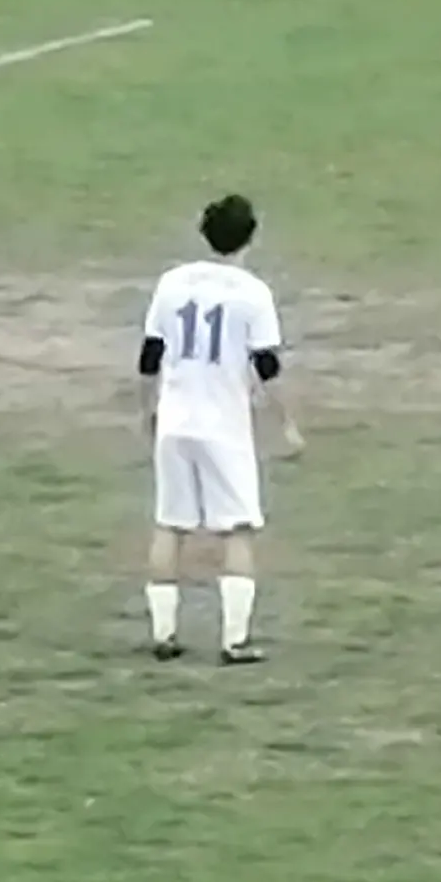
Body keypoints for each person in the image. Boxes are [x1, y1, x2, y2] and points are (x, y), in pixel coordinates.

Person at [139, 193, 302, 666]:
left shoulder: (171, 283)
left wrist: (146, 410)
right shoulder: (252, 293)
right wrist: (287, 424)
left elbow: (150, 355)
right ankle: (235, 640)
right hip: (223, 426)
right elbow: (266, 366)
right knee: (237, 530)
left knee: (170, 524)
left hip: (176, 419)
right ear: (250, 237)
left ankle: (164, 634)